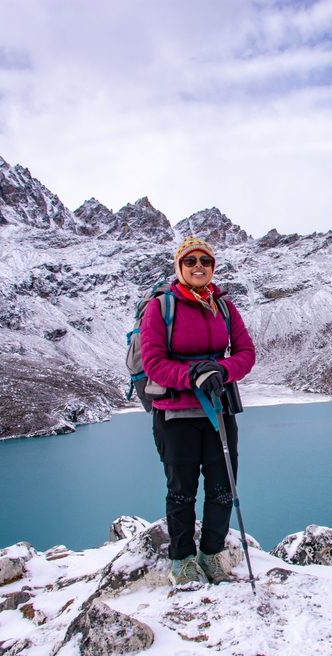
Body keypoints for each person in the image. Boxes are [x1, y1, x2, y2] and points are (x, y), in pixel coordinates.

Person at [139, 235, 256, 587]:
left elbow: (246, 353)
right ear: (179, 267)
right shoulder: (161, 308)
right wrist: (193, 374)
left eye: (205, 261)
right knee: (181, 491)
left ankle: (211, 554)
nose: (198, 267)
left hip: (219, 409)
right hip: (175, 415)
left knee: (224, 488)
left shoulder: (223, 305)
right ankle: (182, 560)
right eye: (190, 261)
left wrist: (222, 371)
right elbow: (153, 362)